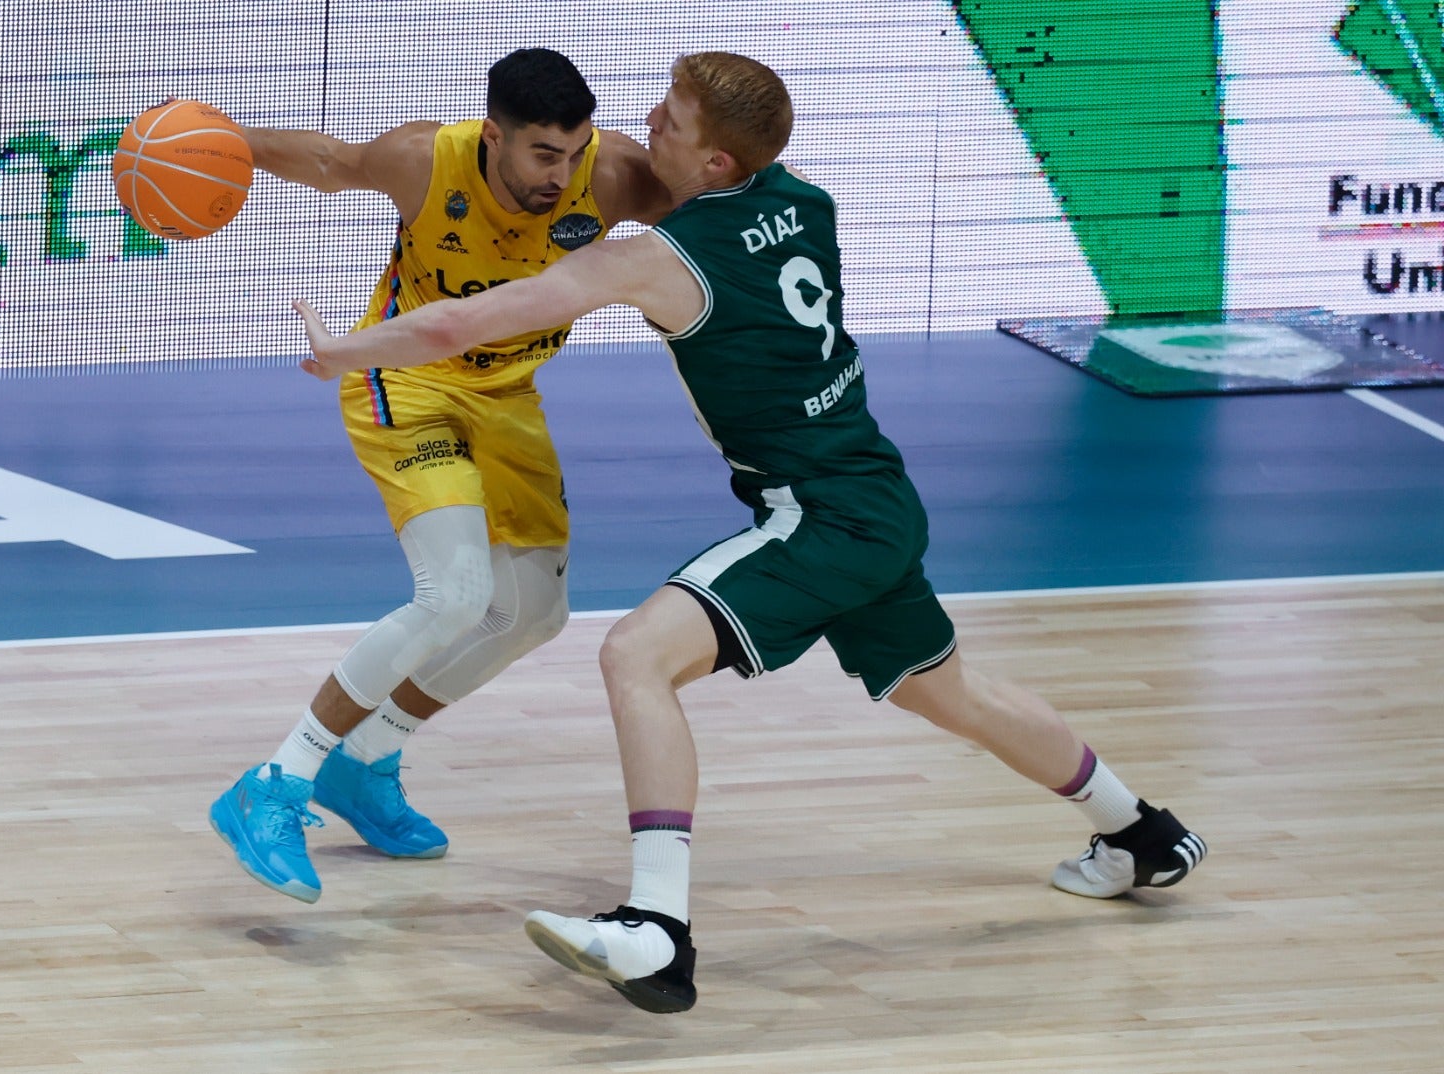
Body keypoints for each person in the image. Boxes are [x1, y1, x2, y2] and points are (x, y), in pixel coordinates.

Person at [292, 52, 1208, 1013]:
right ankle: (1141, 834)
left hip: (814, 511)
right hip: (879, 497)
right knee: (953, 693)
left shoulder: (654, 257)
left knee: (636, 656)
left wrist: (346, 349)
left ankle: (657, 930)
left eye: (671, 123)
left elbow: (462, 324)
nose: (645, 125)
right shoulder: (806, 199)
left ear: (720, 164)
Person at [208, 48, 674, 904]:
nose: (559, 175)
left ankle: (369, 758)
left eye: (573, 153)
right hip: (407, 381)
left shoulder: (610, 178)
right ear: (493, 136)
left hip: (510, 397)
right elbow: (330, 163)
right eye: (542, 154)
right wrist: (219, 138)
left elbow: (720, 191)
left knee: (535, 612)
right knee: (454, 594)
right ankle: (275, 782)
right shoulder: (425, 160)